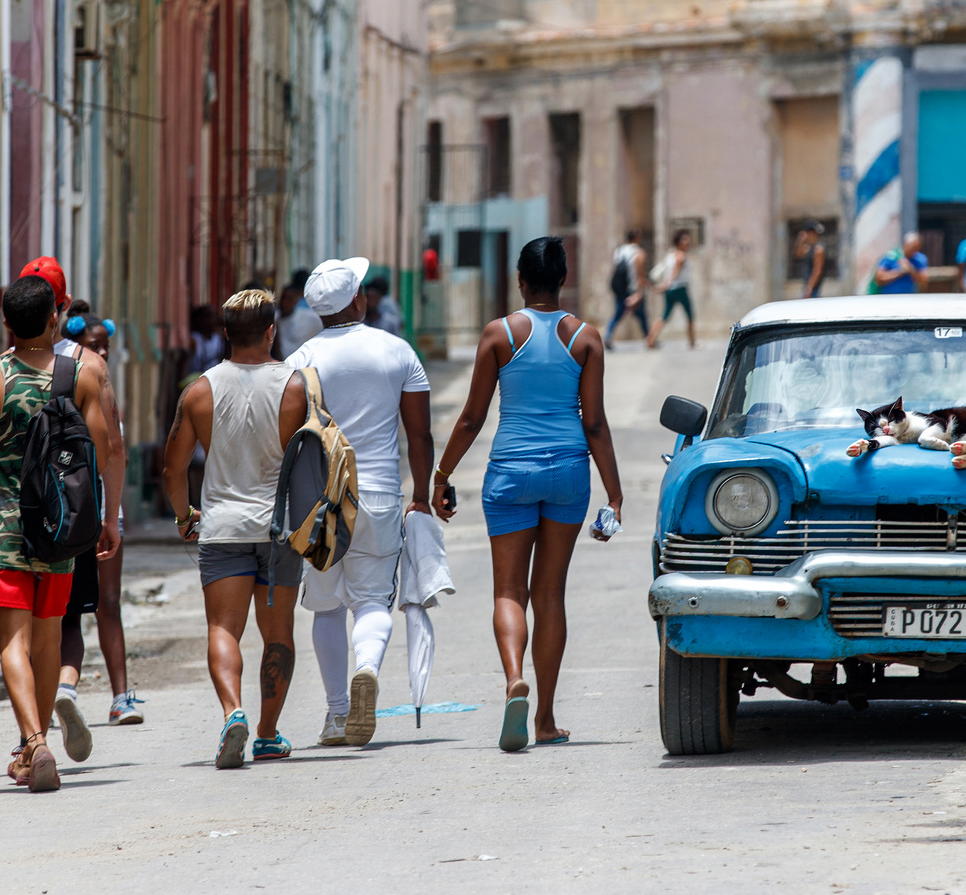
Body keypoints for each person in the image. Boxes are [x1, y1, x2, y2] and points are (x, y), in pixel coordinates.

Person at [432, 237, 623, 751]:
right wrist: (615, 494)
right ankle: (544, 718)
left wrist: (440, 474)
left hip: (510, 473)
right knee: (550, 595)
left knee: (508, 592)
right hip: (567, 473)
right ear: (563, 279)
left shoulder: (499, 334)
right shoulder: (587, 339)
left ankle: (514, 677)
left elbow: (472, 417)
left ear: (521, 280)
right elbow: (597, 423)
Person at [0, 275, 113, 793]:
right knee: (48, 637)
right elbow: (97, 449)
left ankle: (34, 743)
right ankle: (34, 740)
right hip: (57, 530)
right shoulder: (79, 374)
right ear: (54, 319)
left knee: (12, 641)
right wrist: (100, 516)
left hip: (1, 529)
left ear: (6, 323)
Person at [284, 257, 434, 748]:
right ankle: (366, 668)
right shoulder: (396, 351)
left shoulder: (300, 359)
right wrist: (423, 495)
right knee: (371, 600)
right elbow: (419, 433)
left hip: (321, 497)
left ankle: (336, 715)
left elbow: (284, 436)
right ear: (358, 300)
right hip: (378, 493)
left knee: (325, 606)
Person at [163, 290, 309, 768]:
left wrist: (185, 516)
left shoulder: (200, 390)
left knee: (223, 629)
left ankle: (233, 712)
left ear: (225, 332)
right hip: (278, 528)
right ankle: (267, 733)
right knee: (278, 631)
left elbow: (173, 467)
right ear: (272, 331)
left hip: (222, 525)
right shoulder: (293, 387)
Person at [53, 310, 143, 767]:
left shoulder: (95, 378)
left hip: (91, 512)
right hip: (94, 513)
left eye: (105, 343)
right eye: (94, 342)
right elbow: (113, 451)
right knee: (77, 611)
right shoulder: (84, 379)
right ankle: (86, 692)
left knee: (104, 604)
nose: (101, 350)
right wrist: (111, 516)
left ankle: (116, 694)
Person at [646, 230, 696, 349]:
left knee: (664, 315)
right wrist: (664, 286)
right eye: (684, 239)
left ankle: (650, 339)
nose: (687, 242)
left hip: (670, 290)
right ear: (678, 242)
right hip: (679, 289)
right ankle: (692, 342)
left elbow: (667, 274)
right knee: (690, 315)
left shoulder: (671, 254)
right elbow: (674, 275)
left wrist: (663, 287)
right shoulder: (680, 257)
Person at [604, 230, 648, 349]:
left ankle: (607, 336)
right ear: (637, 237)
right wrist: (640, 291)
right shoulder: (638, 252)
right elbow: (639, 273)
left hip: (620, 288)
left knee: (618, 314)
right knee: (641, 314)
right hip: (632, 288)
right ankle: (649, 338)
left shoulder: (619, 251)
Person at [275, 283, 322, 359]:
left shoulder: (309, 317)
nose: (285, 303)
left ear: (296, 301)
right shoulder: (275, 319)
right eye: (283, 298)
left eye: (289, 299)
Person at [793, 221, 828, 298]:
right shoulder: (809, 247)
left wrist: (809, 289)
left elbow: (817, 270)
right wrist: (800, 241)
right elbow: (798, 255)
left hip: (813, 287)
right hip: (807, 284)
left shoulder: (819, 249)